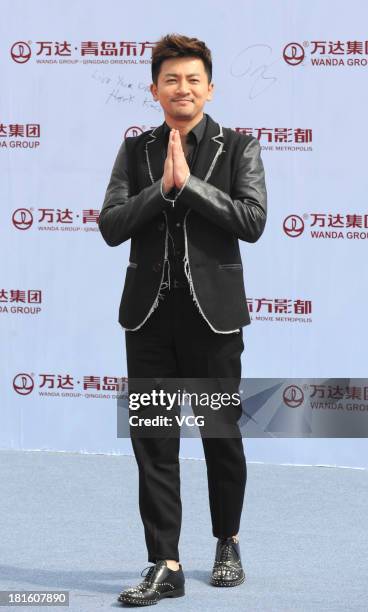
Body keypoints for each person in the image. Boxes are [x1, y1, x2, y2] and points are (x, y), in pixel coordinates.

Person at [99, 33, 267, 606]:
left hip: (213, 321)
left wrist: (188, 186)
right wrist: (160, 188)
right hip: (148, 319)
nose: (183, 88)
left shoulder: (238, 148)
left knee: (220, 435)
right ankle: (164, 562)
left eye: (193, 79)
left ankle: (227, 541)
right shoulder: (135, 151)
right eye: (171, 79)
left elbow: (251, 220)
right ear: (154, 89)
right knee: (153, 440)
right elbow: (112, 223)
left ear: (210, 87)